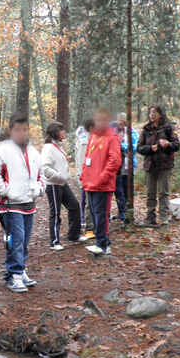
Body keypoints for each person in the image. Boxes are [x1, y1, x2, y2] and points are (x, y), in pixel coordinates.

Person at [0, 115, 44, 293]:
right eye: (17, 129)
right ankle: (13, 275)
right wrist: (7, 191)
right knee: (15, 240)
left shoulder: (34, 152)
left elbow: (41, 175)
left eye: (25, 129)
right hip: (10, 204)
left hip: (29, 203)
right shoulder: (2, 149)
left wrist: (39, 189)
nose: (21, 133)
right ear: (10, 131)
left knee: (24, 241)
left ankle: (21, 270)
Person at [80, 107, 122, 255]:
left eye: (104, 120)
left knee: (101, 214)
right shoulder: (93, 136)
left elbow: (115, 161)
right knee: (93, 213)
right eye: (98, 119)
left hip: (102, 185)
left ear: (109, 121)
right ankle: (102, 242)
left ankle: (103, 244)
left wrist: (102, 178)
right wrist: (84, 176)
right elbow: (87, 158)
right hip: (90, 184)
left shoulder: (112, 137)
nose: (100, 122)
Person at [137, 103, 180, 227]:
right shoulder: (146, 130)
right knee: (150, 192)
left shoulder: (168, 128)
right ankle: (150, 217)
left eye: (154, 113)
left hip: (164, 165)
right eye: (150, 113)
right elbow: (139, 148)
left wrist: (168, 145)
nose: (152, 115)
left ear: (160, 114)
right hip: (150, 165)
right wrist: (151, 148)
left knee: (163, 192)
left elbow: (176, 145)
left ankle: (164, 218)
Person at [41, 122, 81, 250]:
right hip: (53, 184)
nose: (64, 132)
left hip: (62, 183)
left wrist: (63, 177)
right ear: (55, 132)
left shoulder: (59, 146)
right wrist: (59, 176)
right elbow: (44, 168)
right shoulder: (48, 148)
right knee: (56, 212)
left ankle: (74, 236)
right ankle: (54, 242)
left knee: (74, 206)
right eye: (61, 130)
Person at [74, 118, 95, 241]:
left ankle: (94, 227)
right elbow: (82, 162)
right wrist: (82, 180)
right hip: (87, 179)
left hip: (94, 178)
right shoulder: (84, 142)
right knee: (88, 204)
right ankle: (89, 229)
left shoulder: (92, 140)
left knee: (92, 203)